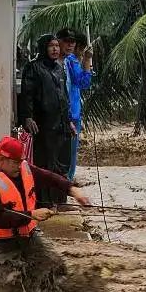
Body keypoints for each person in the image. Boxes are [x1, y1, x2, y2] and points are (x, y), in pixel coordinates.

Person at [0, 136, 90, 291]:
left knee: (56, 268)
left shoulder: (23, 168)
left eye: (20, 161)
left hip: (28, 235)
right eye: (15, 162)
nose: (19, 166)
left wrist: (73, 190)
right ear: (1, 160)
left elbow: (49, 177)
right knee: (12, 285)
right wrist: (32, 214)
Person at [18, 34, 72, 208]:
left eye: (57, 45)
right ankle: (44, 202)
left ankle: (59, 199)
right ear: (43, 48)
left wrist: (69, 120)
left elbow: (64, 96)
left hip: (61, 123)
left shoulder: (59, 69)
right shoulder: (33, 68)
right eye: (51, 46)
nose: (55, 49)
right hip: (43, 123)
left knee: (62, 162)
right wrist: (27, 116)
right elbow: (27, 95)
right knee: (45, 163)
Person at [56, 28, 94, 181]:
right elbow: (83, 82)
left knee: (70, 153)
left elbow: (83, 82)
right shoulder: (66, 61)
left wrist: (86, 61)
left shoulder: (70, 61)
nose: (71, 46)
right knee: (63, 154)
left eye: (73, 42)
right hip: (64, 114)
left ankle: (66, 183)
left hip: (72, 113)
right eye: (67, 41)